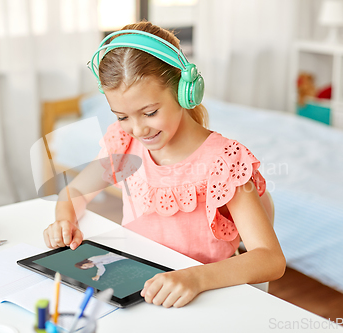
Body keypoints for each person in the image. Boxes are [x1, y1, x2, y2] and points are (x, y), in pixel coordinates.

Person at [43, 21, 286, 308]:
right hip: (136, 288)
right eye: (122, 116)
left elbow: (270, 258)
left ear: (185, 91)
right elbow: (75, 192)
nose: (137, 129)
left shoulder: (223, 161)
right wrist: (64, 219)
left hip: (202, 296)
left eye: (150, 112)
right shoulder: (124, 145)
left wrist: (194, 279)